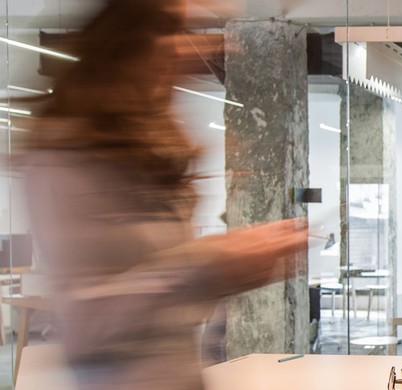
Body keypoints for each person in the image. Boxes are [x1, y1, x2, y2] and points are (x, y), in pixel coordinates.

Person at [18, 1, 310, 389]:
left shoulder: (147, 154)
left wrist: (227, 271)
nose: (188, 48)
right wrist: (206, 266)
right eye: (172, 31)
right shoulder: (63, 154)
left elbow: (167, 307)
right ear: (128, 42)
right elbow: (86, 327)